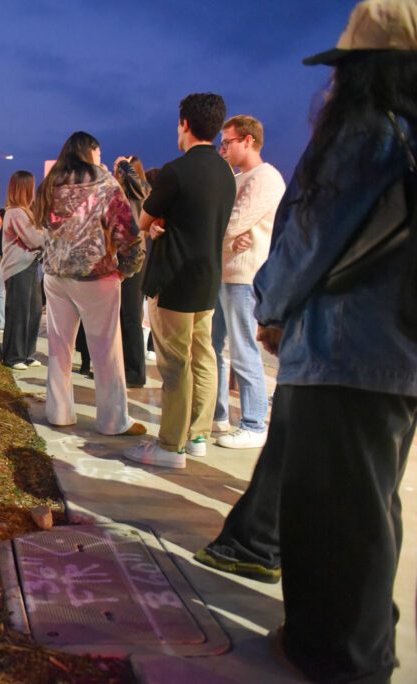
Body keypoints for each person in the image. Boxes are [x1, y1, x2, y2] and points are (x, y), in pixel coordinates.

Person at [196, 3, 417, 679]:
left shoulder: (368, 135)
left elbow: (312, 238)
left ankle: (346, 654)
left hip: (344, 349)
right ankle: (354, 637)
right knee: (369, 505)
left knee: (336, 515)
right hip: (395, 356)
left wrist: (272, 305)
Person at [124, 93, 236, 468]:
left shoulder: (176, 170)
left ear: (185, 124)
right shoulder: (225, 173)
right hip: (208, 280)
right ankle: (199, 434)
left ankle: (170, 446)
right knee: (204, 358)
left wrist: (156, 225)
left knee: (174, 365)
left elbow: (143, 220)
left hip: (172, 279)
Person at [36, 131, 146, 436]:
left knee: (59, 347)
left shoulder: (49, 185)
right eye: (98, 153)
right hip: (96, 275)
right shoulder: (104, 184)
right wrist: (127, 268)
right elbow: (127, 231)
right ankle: (113, 421)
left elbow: (42, 227)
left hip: (56, 275)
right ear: (91, 152)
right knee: (107, 351)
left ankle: (58, 412)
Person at [210, 116, 286, 448]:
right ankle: (218, 414)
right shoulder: (238, 179)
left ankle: (254, 423)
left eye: (227, 142)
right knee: (214, 348)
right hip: (225, 270)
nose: (222, 148)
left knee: (244, 348)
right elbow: (226, 227)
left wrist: (224, 239)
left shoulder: (265, 178)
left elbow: (234, 222)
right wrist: (227, 240)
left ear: (248, 141)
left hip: (245, 275)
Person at [113, 156, 152, 388]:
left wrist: (126, 165)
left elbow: (142, 187)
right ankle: (125, 367)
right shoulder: (122, 195)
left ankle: (136, 372)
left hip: (134, 259)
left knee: (131, 316)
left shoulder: (140, 193)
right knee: (121, 316)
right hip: (118, 258)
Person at [0, 171, 44, 369]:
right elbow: (33, 240)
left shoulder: (26, 212)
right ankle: (13, 356)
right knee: (19, 311)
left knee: (33, 310)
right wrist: (46, 236)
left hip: (31, 265)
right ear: (25, 188)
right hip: (18, 267)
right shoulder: (16, 213)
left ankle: (27, 353)